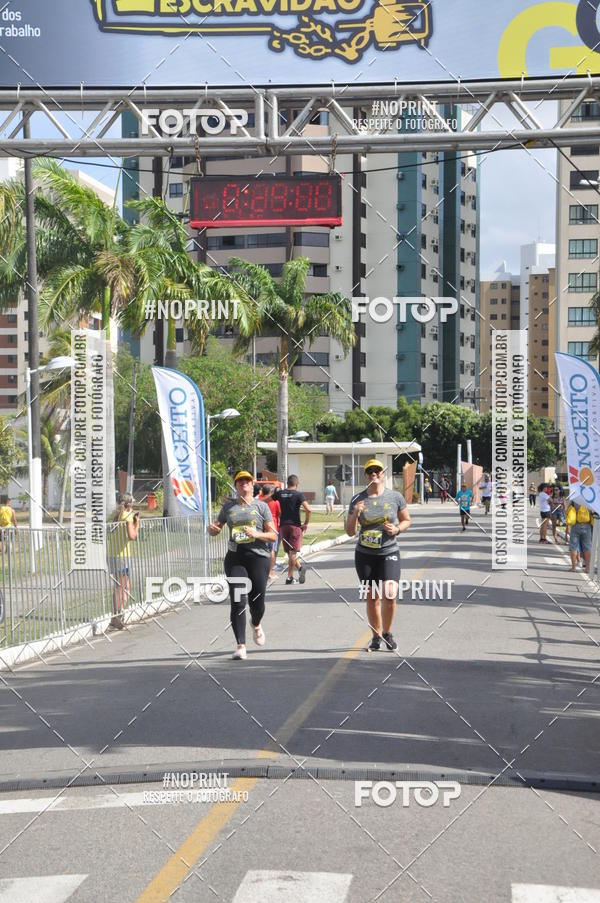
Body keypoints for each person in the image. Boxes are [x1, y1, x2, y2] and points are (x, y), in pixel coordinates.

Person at [209, 470, 276, 660]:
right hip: (235, 557)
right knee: (238, 600)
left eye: (247, 480)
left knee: (257, 602)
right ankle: (240, 645)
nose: (244, 483)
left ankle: (256, 624)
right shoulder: (229, 507)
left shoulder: (261, 507)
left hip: (258, 557)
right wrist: (211, 530)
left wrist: (257, 534)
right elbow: (216, 528)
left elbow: (273, 535)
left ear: (252, 484)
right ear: (236, 485)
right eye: (240, 481)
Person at [346, 458, 411, 652]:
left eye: (377, 471)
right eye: (370, 471)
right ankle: (375, 636)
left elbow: (407, 520)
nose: (374, 474)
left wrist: (397, 529)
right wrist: (356, 513)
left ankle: (387, 633)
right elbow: (350, 532)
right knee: (372, 597)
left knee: (390, 594)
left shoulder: (395, 497)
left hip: (388, 552)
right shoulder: (357, 499)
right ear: (365, 475)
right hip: (365, 555)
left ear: (383, 474)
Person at [108, 492, 140, 629]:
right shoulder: (127, 517)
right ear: (129, 504)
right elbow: (132, 536)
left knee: (119, 587)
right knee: (124, 588)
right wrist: (136, 524)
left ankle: (116, 616)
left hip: (111, 555)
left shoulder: (113, 516)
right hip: (123, 557)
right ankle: (117, 617)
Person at [275, 475, 311, 585]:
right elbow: (308, 510)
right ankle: (290, 578)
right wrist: (305, 524)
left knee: (290, 553)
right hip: (295, 526)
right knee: (292, 553)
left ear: (287, 483)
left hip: (283, 526)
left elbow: (267, 499)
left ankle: (300, 568)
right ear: (297, 484)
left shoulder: (280, 493)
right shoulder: (298, 494)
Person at [259, 484, 280, 580]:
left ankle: (262, 571)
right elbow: (279, 514)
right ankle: (270, 572)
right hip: (272, 528)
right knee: (271, 551)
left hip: (260, 528)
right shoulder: (275, 501)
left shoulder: (258, 500)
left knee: (261, 550)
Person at [566, 500, 592, 572]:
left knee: (573, 547)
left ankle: (574, 567)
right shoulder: (589, 499)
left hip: (576, 525)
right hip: (587, 525)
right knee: (587, 547)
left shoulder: (574, 499)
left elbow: (567, 510)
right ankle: (588, 568)